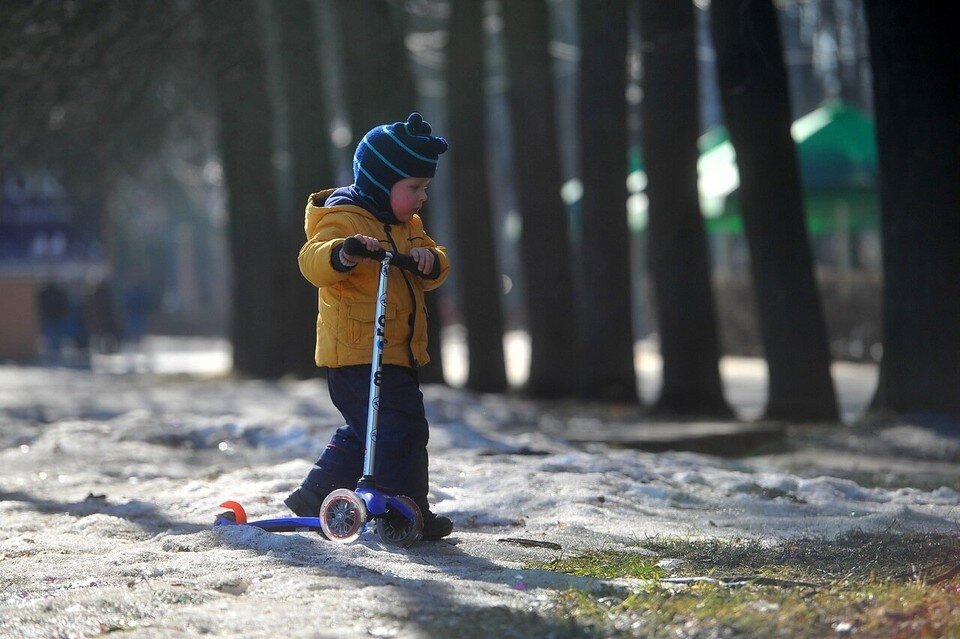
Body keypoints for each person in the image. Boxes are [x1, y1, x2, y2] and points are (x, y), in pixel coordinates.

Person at [285, 112, 453, 540]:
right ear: (382, 183)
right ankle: (405, 510)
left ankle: (314, 496)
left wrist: (430, 261)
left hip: (395, 351)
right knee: (403, 430)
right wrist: (345, 253)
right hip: (356, 354)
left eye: (425, 188)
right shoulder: (343, 218)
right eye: (413, 188)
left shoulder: (409, 229)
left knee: (369, 433)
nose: (421, 198)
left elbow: (436, 259)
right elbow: (313, 259)